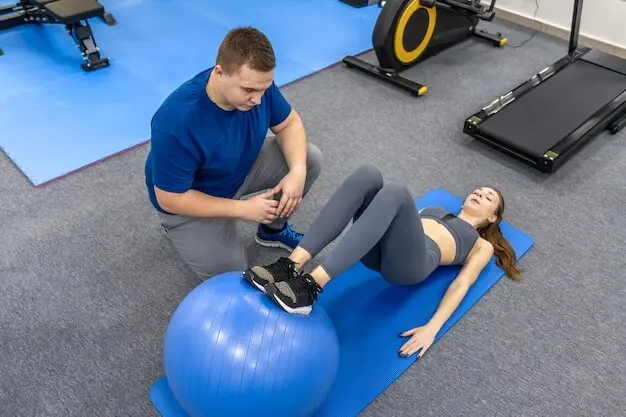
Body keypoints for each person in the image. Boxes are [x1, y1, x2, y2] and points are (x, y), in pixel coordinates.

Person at [243, 164, 521, 358]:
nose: (479, 193)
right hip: (378, 250)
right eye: (478, 190)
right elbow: (385, 218)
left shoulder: (481, 244)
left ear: (492, 217)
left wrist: (432, 328)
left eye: (488, 197)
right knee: (369, 175)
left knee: (397, 191)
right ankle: (291, 265)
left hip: (412, 265)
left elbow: (462, 284)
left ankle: (311, 286)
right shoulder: (434, 207)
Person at [144, 27, 323, 278]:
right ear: (219, 73)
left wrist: (297, 172)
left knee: (309, 159)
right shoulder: (176, 122)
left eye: (263, 89)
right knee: (232, 275)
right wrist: (242, 209)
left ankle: (272, 230)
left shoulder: (257, 85)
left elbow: (289, 124)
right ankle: (180, 230)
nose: (258, 100)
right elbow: (169, 198)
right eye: (248, 91)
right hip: (189, 198)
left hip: (239, 167)